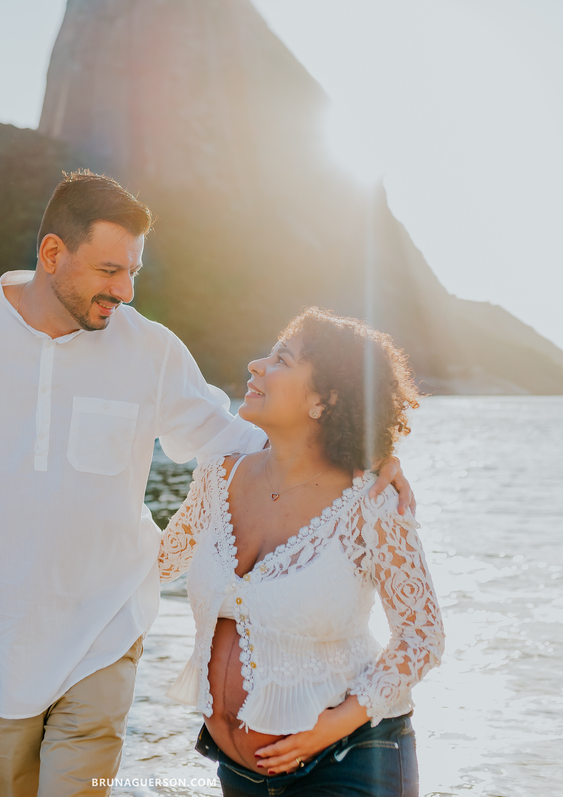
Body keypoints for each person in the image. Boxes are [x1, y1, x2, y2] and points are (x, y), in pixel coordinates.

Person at [0, 171, 416, 797]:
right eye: (110, 271)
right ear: (53, 254)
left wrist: (368, 457)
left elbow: (234, 435)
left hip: (105, 625)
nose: (126, 291)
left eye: (134, 271)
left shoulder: (152, 351)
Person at [158, 308, 444, 797]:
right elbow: (158, 563)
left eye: (282, 360)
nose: (256, 366)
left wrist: (333, 725)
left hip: (351, 760)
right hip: (237, 773)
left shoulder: (373, 502)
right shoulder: (216, 478)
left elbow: (422, 636)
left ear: (325, 399)